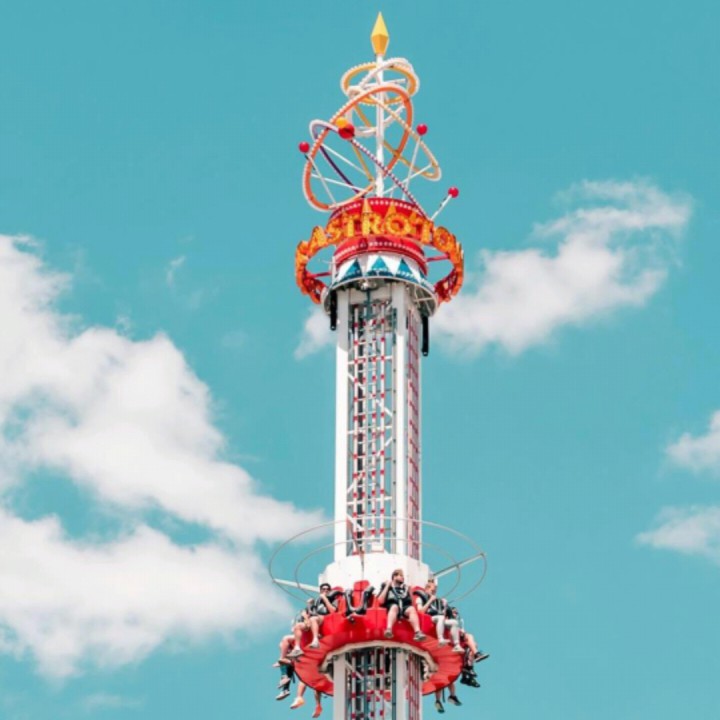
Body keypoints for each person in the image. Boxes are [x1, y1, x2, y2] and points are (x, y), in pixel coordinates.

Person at [289, 584, 340, 657]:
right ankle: (297, 649)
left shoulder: (333, 599)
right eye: (323, 589)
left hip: (325, 618)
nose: (325, 590)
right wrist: (308, 608)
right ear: (320, 590)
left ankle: (315, 641)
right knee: (298, 626)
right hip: (313, 619)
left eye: (327, 589)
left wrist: (325, 598)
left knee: (313, 619)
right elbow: (311, 612)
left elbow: (332, 611)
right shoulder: (317, 601)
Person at [414, 578, 463, 653]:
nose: (434, 593)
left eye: (435, 592)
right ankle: (440, 639)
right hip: (428, 618)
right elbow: (420, 611)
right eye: (432, 591)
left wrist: (445, 606)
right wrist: (430, 600)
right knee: (440, 618)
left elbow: (442, 615)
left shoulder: (437, 602)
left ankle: (456, 645)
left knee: (454, 622)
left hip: (438, 619)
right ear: (427, 589)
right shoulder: (420, 598)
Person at [377, 568, 426, 641]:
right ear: (394, 577)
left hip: (403, 608)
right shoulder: (388, 587)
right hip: (392, 607)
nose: (403, 578)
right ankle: (389, 629)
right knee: (394, 607)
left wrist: (410, 591)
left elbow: (412, 604)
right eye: (401, 576)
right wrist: (387, 586)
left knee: (411, 609)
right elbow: (380, 601)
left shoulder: (404, 589)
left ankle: (417, 632)